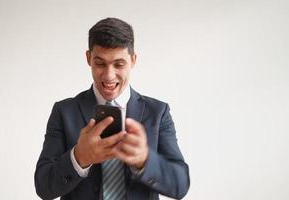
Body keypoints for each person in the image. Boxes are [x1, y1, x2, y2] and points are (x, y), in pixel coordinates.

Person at [35, 17, 190, 200]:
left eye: (119, 64)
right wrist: (79, 158)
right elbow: (43, 187)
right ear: (88, 58)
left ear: (133, 60)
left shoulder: (158, 112)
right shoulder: (64, 111)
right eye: (100, 63)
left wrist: (145, 160)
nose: (109, 76)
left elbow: (180, 186)